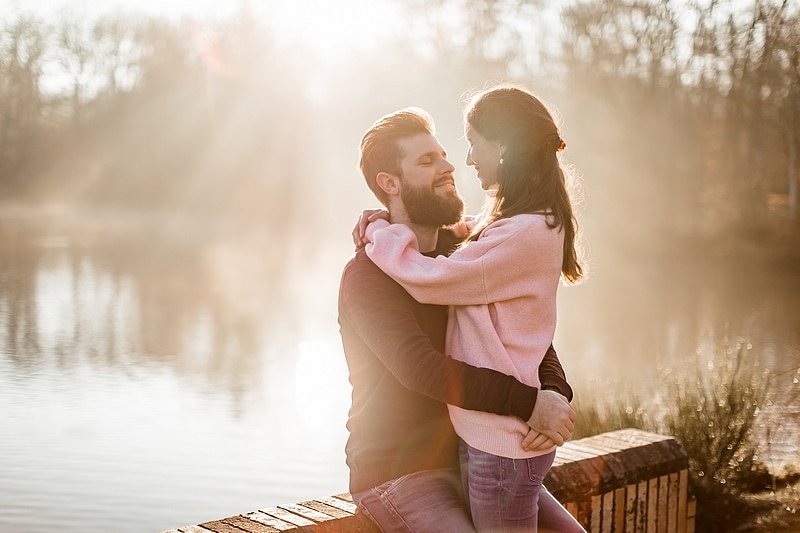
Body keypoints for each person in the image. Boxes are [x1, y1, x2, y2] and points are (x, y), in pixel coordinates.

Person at [338, 106, 581, 533]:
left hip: (475, 453)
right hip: (399, 471)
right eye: (426, 161)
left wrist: (554, 393)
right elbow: (420, 368)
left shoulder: (460, 255)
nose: (450, 167)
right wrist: (527, 403)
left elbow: (525, 325)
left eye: (444, 154)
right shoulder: (367, 276)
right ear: (389, 183)